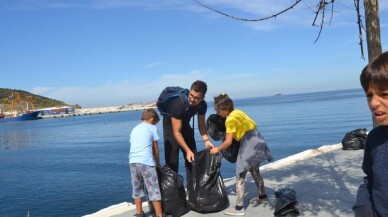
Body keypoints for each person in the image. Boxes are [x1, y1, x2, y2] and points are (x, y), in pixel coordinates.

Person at [210, 93, 273, 216]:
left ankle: (239, 208)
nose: (217, 114)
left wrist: (217, 149)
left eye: (217, 110)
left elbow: (228, 142)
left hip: (248, 143)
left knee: (240, 174)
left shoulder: (230, 120)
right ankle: (263, 196)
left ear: (224, 109)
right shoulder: (238, 112)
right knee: (255, 171)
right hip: (258, 139)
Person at [353, 51, 388, 217]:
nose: (374, 103)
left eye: (384, 94)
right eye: (369, 95)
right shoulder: (374, 138)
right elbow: (369, 180)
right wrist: (363, 209)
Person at [162, 80, 214, 183]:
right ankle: (174, 195)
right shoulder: (178, 104)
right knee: (172, 163)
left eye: (196, 98)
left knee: (193, 160)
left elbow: (201, 125)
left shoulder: (202, 105)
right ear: (189, 91)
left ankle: (193, 195)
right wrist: (187, 150)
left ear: (203, 98)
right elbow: (176, 132)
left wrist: (206, 140)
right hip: (170, 128)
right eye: (191, 95)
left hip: (185, 125)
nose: (192, 99)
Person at [129, 108, 163, 217]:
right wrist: (158, 163)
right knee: (153, 189)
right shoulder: (152, 128)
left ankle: (139, 214)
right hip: (146, 162)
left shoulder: (134, 129)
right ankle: (159, 215)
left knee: (137, 188)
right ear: (152, 119)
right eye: (155, 122)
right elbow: (155, 148)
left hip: (133, 162)